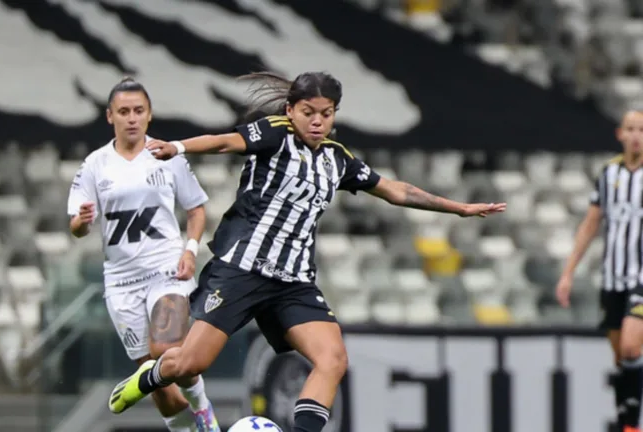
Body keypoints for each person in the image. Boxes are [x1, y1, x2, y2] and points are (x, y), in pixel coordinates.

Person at [107, 71, 507, 432]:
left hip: (293, 283)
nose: (317, 121)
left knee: (333, 359)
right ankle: (149, 377)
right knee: (188, 365)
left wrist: (459, 208)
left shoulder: (337, 159)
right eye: (308, 112)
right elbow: (226, 141)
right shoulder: (274, 134)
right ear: (290, 110)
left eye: (326, 114)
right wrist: (178, 147)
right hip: (241, 270)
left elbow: (396, 190)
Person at [68, 77, 220, 432]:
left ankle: (203, 410)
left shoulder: (166, 156)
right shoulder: (94, 165)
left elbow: (196, 209)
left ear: (149, 114)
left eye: (138, 110)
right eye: (124, 111)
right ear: (110, 116)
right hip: (121, 282)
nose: (132, 118)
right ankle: (186, 429)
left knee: (166, 349)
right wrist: (82, 221)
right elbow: (76, 227)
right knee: (156, 383)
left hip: (166, 271)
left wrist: (190, 251)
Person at [557, 109, 643, 432]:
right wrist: (568, 272)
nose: (636, 136)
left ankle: (631, 427)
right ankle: (626, 422)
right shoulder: (609, 173)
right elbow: (591, 223)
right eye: (630, 129)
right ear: (620, 134)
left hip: (641, 277)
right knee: (621, 358)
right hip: (612, 277)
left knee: (631, 346)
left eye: (642, 130)